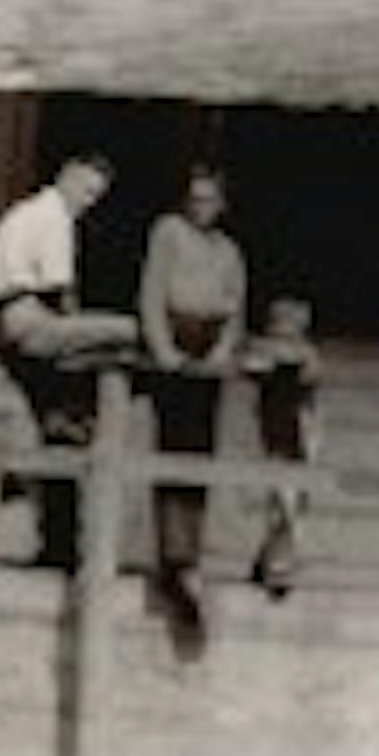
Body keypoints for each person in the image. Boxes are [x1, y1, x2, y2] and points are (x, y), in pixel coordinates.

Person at [0, 151, 139, 570]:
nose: (89, 200)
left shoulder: (26, 211)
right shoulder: (53, 216)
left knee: (59, 424)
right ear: (67, 176)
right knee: (128, 331)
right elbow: (60, 295)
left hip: (5, 324)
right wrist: (82, 333)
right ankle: (124, 393)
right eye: (86, 189)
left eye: (96, 195)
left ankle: (58, 543)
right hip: (25, 317)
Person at [138, 165, 248, 650]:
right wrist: (162, 348)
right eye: (194, 198)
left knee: (198, 455)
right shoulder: (169, 232)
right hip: (175, 342)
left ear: (222, 205)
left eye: (210, 200)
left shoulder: (228, 251)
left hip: (208, 350)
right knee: (169, 449)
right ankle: (170, 557)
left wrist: (223, 350)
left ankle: (191, 556)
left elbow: (235, 307)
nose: (201, 207)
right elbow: (152, 292)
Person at [245, 294, 326, 600]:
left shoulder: (306, 355)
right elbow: (251, 366)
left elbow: (310, 374)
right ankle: (273, 562)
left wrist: (294, 361)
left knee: (292, 503)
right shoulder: (263, 352)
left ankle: (279, 563)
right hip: (274, 436)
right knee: (278, 502)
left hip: (300, 436)